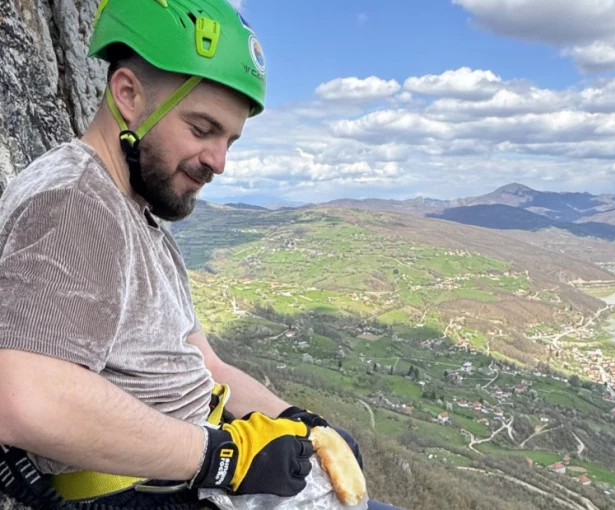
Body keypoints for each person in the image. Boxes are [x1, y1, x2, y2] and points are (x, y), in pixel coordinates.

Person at [0, 0, 399, 508]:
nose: (220, 161)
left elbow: (206, 363)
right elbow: (25, 400)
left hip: (189, 474)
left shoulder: (138, 214)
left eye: (230, 140)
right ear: (128, 95)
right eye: (202, 129)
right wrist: (225, 457)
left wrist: (300, 422)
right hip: (149, 491)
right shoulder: (74, 200)